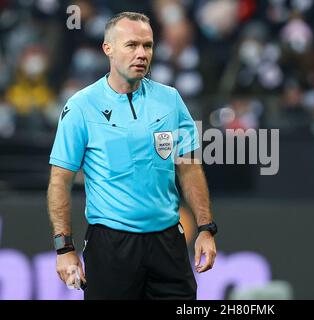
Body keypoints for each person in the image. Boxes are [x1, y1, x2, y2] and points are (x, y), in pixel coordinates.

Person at [47, 12, 217, 300]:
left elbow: (188, 168)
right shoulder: (81, 107)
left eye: (147, 46)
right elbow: (60, 181)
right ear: (108, 49)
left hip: (168, 243)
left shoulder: (171, 100)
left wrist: (205, 228)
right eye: (132, 45)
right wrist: (65, 248)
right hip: (111, 244)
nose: (142, 54)